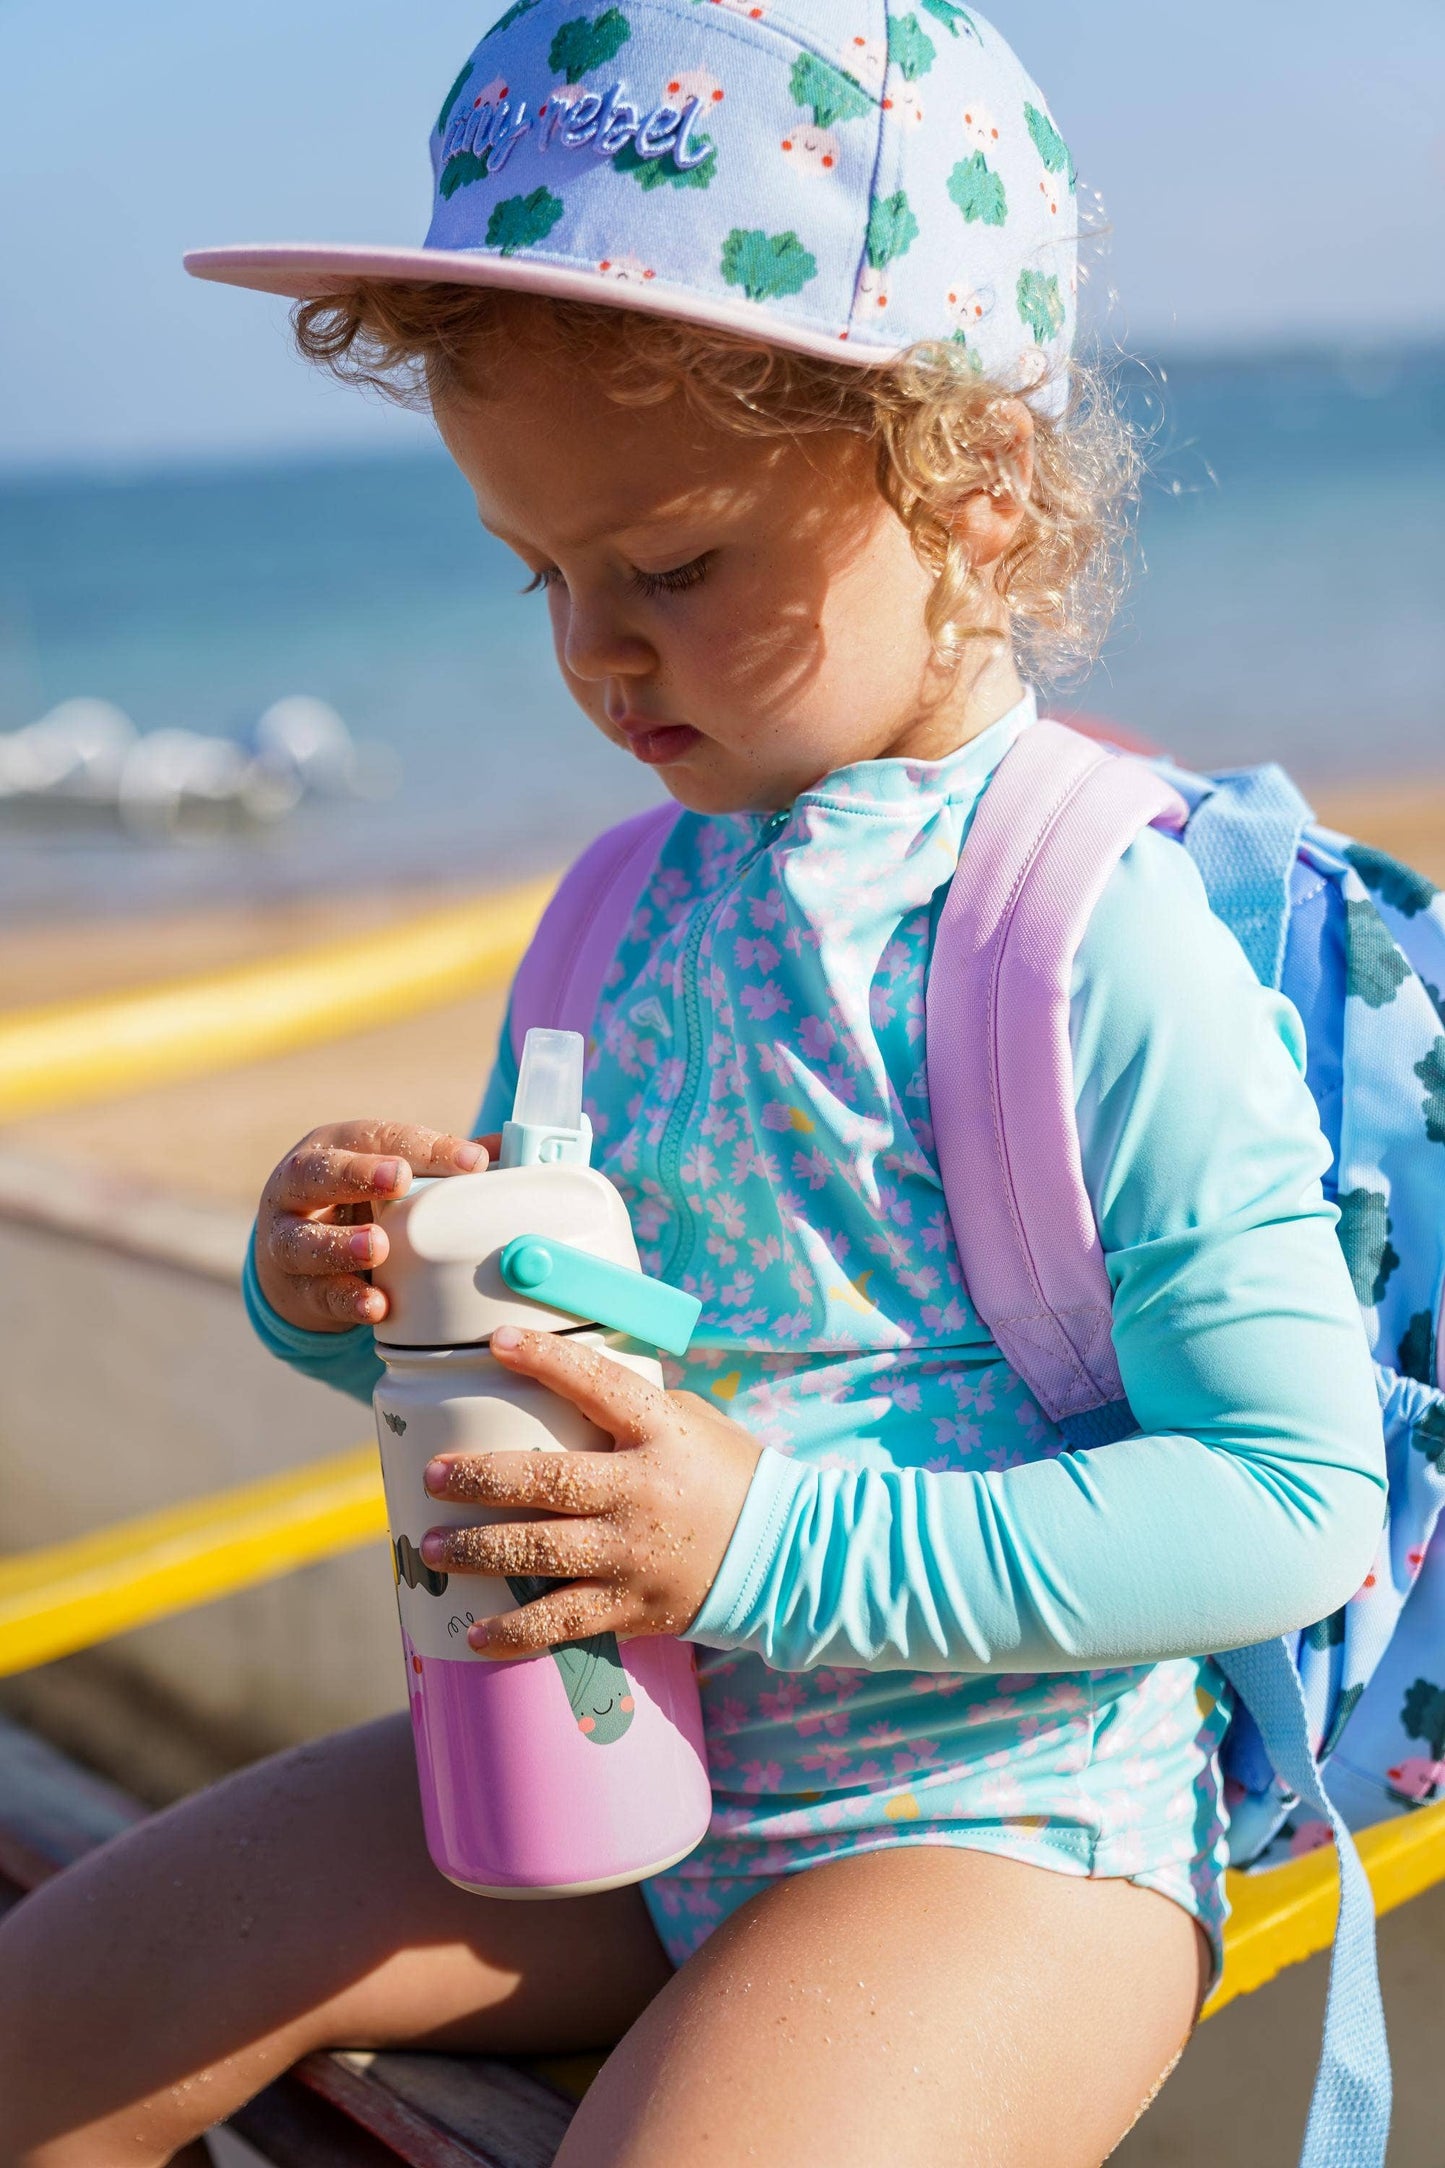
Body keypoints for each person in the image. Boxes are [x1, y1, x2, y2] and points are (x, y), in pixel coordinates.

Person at [0, 5, 1387, 2162]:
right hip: (607, 1746)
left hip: (992, 1830)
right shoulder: (615, 908)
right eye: (538, 573)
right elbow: (558, 1353)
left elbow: (1288, 1504)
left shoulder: (1079, 929)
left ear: (974, 493)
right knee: (57, 2009)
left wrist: (763, 1541)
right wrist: (348, 1291)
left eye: (665, 567)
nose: (591, 650)